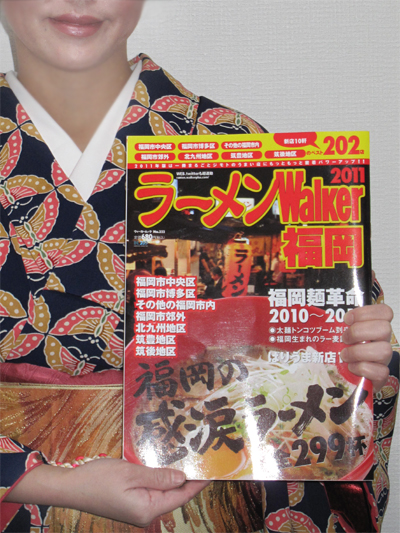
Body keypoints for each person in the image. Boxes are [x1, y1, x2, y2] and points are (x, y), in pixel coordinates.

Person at [0, 1, 397, 532]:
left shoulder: (233, 143)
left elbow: (332, 375)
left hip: (217, 500)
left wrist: (352, 358)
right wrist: (43, 480)